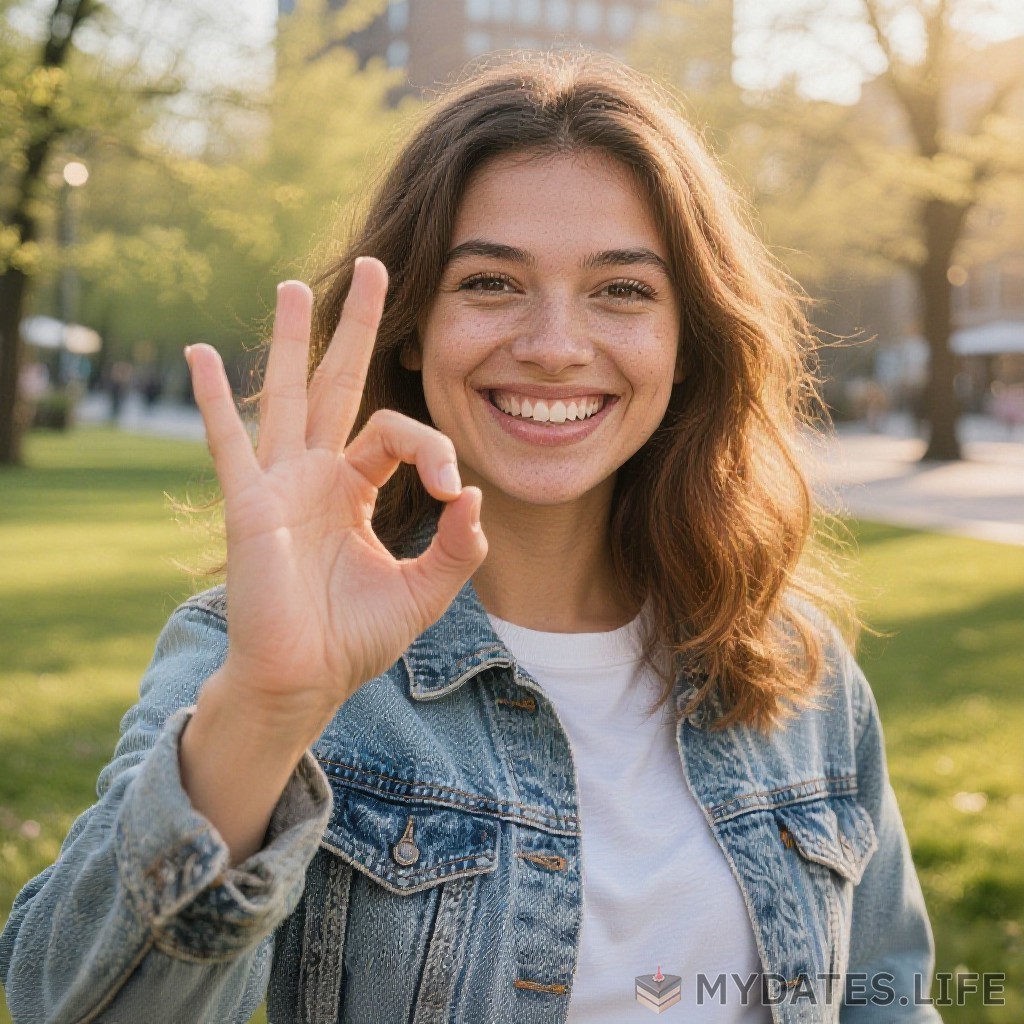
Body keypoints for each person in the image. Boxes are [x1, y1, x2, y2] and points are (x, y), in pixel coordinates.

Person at [0, 53, 939, 1023]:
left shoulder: (797, 668)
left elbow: (888, 1000)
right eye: (491, 282)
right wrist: (265, 714)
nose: (554, 345)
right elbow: (69, 1005)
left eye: (621, 290)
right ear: (411, 327)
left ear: (686, 339)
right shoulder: (255, 657)